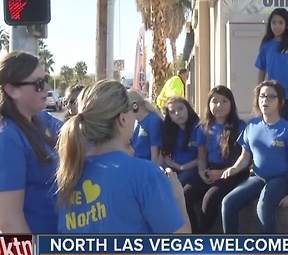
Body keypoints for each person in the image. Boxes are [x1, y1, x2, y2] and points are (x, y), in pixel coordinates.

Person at [55, 79, 190, 233]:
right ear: (122, 119)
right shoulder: (146, 174)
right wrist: (178, 198)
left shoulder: (69, 171)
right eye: (132, 108)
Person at [221, 80, 288, 234]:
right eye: (262, 96)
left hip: (282, 179)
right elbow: (245, 156)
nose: (265, 100)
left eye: (270, 97)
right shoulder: (252, 126)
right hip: (258, 177)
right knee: (228, 202)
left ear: (280, 102)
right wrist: (234, 168)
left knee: (263, 205)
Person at [0, 51, 63, 233]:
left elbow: (78, 135)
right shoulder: (8, 139)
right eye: (38, 84)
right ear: (12, 90)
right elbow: (8, 221)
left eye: (45, 80)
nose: (46, 88)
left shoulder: (42, 120)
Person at [183, 86, 250, 233]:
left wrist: (222, 173)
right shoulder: (203, 127)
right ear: (209, 104)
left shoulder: (240, 126)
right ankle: (193, 234)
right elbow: (201, 153)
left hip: (234, 171)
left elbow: (244, 157)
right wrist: (202, 171)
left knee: (210, 198)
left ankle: (203, 237)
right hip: (210, 170)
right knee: (184, 195)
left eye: (224, 101)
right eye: (214, 101)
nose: (219, 105)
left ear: (231, 104)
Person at [255, 8, 288, 124]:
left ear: (286, 25)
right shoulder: (266, 46)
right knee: (270, 125)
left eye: (280, 22)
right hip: (271, 94)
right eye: (273, 22)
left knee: (286, 127)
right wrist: (259, 91)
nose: (276, 26)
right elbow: (261, 70)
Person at [158, 96, 203, 186]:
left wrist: (182, 167)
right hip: (171, 168)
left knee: (174, 186)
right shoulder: (169, 131)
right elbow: (163, 154)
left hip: (191, 169)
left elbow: (202, 157)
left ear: (188, 109)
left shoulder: (199, 128)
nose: (177, 113)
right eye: (172, 112)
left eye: (180, 109)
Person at [127, 89, 163, 161]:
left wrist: (152, 169)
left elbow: (155, 150)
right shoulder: (135, 123)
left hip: (146, 164)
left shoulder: (153, 120)